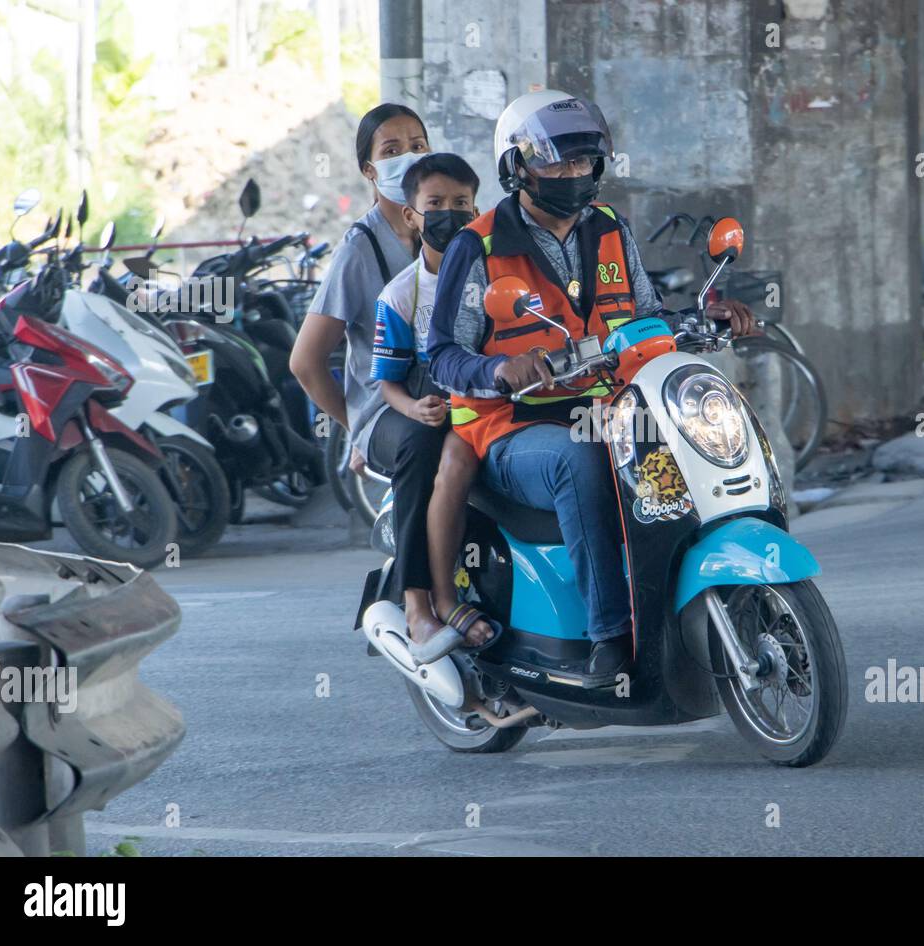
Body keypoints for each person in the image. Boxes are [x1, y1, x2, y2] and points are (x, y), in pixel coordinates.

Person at [427, 91, 755, 679]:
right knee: (579, 459)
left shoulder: (609, 229)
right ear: (516, 168)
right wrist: (499, 371)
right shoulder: (476, 247)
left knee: (689, 437)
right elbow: (443, 355)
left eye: (582, 161)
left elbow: (644, 317)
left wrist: (705, 317)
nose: (572, 174)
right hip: (510, 425)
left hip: (611, 405)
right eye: (555, 162)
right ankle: (611, 636)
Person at [290, 103, 428, 604]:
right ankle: (416, 598)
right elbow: (306, 362)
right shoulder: (361, 250)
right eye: (392, 151)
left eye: (417, 145)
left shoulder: (449, 231)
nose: (409, 158)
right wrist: (358, 425)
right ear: (370, 171)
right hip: (389, 412)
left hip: (447, 395)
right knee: (424, 443)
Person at [366, 153, 495, 656]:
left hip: (487, 400)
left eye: (461, 204)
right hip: (428, 403)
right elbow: (387, 383)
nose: (450, 214)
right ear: (410, 214)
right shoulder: (400, 296)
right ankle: (424, 602)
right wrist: (414, 408)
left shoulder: (496, 272)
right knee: (427, 449)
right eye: (435, 204)